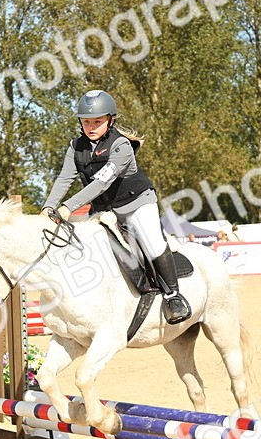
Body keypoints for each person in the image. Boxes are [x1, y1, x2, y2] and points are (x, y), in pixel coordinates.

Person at [41, 90, 191, 324]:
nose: (91, 126)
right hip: (103, 210)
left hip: (136, 203)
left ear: (110, 120)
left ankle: (173, 296)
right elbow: (64, 178)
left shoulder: (121, 145)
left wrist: (68, 207)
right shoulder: (75, 147)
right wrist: (48, 207)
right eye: (86, 121)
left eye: (97, 122)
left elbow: (101, 182)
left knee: (151, 243)